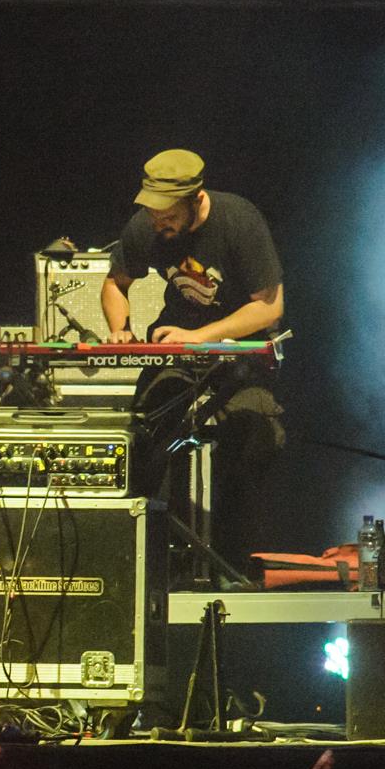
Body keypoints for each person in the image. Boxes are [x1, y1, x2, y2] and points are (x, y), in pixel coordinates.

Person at [100, 149, 287, 573]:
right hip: (176, 348)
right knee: (143, 437)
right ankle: (139, 561)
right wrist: (120, 327)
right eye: (152, 212)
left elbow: (269, 308)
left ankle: (230, 568)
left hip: (241, 354)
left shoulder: (239, 221)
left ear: (196, 198)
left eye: (167, 214)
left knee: (252, 440)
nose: (158, 222)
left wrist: (201, 336)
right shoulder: (146, 226)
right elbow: (115, 283)